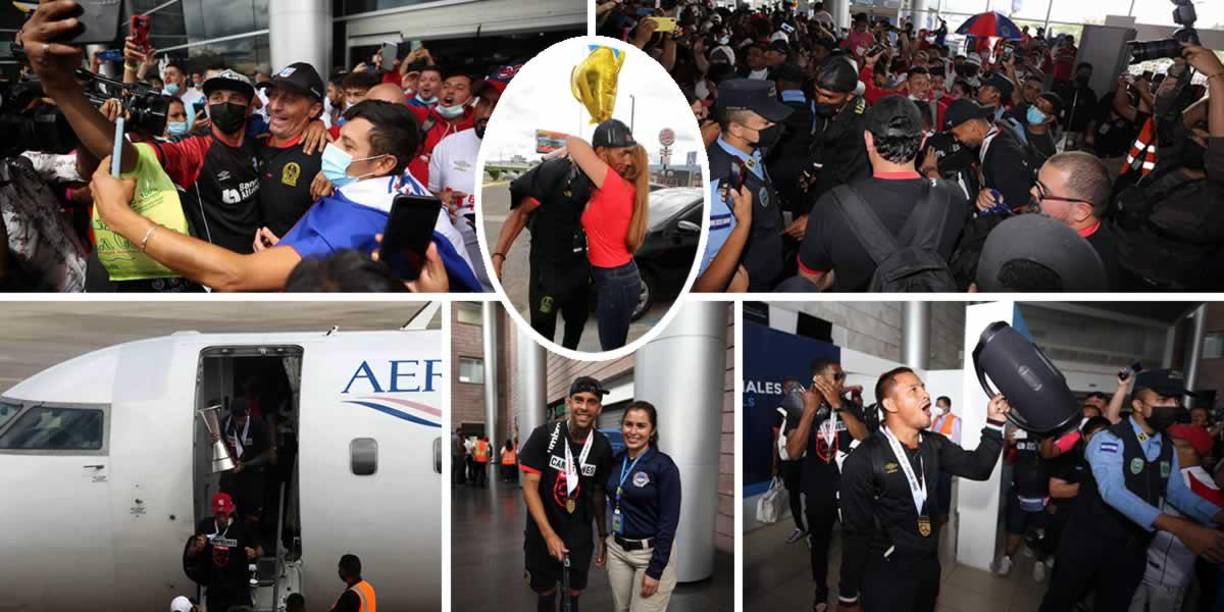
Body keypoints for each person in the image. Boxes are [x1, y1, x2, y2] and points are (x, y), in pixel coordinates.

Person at [87, 100, 475, 292]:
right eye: (337, 134)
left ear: (382, 163)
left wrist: (119, 214)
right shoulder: (401, 189)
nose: (332, 146)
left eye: (347, 144)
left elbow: (233, 276)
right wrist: (293, 249)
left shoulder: (355, 223)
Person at [1039, 369, 1224, 612]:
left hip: (1131, 551)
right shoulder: (1108, 439)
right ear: (1137, 404)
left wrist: (1216, 515)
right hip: (1086, 545)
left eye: (1176, 400)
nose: (1172, 406)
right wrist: (1182, 528)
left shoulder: (1167, 447)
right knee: (1059, 603)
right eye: (1163, 399)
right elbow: (1112, 491)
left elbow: (1176, 491)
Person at [837, 367, 1010, 612]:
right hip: (886, 573)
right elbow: (855, 533)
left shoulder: (935, 445)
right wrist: (847, 596)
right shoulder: (864, 459)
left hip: (928, 567)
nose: (926, 395)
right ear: (890, 404)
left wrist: (994, 423)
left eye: (924, 387)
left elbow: (978, 468)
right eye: (914, 390)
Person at [797, 95, 966, 292]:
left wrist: (842, 272)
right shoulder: (953, 197)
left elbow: (810, 282)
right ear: (921, 142)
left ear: (868, 139)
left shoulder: (831, 207)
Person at [519, 376, 615, 612]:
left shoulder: (602, 446)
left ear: (599, 408)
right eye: (579, 400)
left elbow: (597, 492)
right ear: (568, 402)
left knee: (573, 594)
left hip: (578, 535)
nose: (584, 407)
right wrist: (548, 534)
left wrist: (603, 535)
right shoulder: (545, 436)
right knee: (546, 593)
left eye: (592, 402)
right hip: (542, 533)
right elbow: (530, 486)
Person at [786, 359, 869, 611]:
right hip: (819, 489)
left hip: (851, 488)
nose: (841, 381)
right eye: (836, 376)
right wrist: (810, 411)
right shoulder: (799, 407)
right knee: (820, 544)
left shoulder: (849, 406)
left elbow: (864, 438)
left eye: (842, 376)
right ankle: (820, 591)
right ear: (818, 380)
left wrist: (838, 405)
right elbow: (793, 451)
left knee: (855, 542)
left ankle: (851, 589)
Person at [494, 150, 594, 348]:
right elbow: (520, 214)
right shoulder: (558, 174)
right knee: (542, 328)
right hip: (548, 270)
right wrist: (498, 256)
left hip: (581, 270)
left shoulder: (603, 182)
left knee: (576, 324)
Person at [564, 122, 649, 350]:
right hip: (623, 276)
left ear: (600, 153)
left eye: (628, 154)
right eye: (623, 153)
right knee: (616, 340)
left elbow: (572, 141)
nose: (628, 161)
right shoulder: (628, 189)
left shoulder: (612, 184)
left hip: (614, 280)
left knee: (611, 345)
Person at [703, 78, 791, 291]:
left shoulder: (752, 149)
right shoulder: (721, 183)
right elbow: (712, 268)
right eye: (766, 123)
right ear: (736, 128)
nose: (775, 127)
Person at [430, 76, 507, 291]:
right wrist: (439, 201)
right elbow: (431, 196)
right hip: (464, 281)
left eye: (498, 105)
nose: (487, 114)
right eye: (483, 102)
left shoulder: (532, 151)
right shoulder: (447, 147)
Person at [603, 401, 681, 612]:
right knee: (622, 609)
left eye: (641, 425)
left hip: (650, 553)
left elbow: (669, 521)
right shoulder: (617, 460)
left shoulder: (663, 466)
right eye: (628, 424)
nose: (633, 431)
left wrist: (655, 570)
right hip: (618, 550)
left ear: (652, 430)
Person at [254, 63, 327, 241]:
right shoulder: (253, 143)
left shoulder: (326, 159)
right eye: (272, 95)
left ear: (314, 109)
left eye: (289, 99)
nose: (275, 106)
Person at [1032, 151, 1122, 289]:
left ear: (1081, 211)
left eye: (1043, 191)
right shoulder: (1061, 227)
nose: (1032, 191)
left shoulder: (1081, 274)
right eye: (1036, 184)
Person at [184, 492, 260, 612]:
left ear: (231, 510)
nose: (221, 518)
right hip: (215, 590)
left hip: (238, 590)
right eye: (218, 514)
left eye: (224, 513)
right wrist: (197, 547)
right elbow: (190, 553)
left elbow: (260, 549)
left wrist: (254, 553)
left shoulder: (242, 527)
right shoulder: (206, 526)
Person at [407, 68, 476, 184]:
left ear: (471, 99)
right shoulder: (422, 118)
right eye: (446, 86)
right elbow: (390, 103)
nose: (450, 91)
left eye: (459, 88)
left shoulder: (478, 130)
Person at [217, 399, 275, 527]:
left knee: (251, 515)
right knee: (228, 510)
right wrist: (219, 448)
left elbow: (268, 454)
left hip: (252, 474)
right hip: (232, 473)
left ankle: (250, 540)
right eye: (236, 419)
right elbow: (220, 445)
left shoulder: (258, 425)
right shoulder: (225, 423)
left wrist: (246, 465)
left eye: (242, 419)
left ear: (248, 413)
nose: (239, 422)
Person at [772, 378, 807, 544]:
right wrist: (775, 465)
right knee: (794, 496)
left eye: (796, 388)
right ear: (785, 392)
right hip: (789, 462)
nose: (793, 391)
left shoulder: (810, 409)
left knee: (812, 496)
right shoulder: (781, 411)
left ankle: (815, 530)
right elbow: (776, 438)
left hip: (808, 460)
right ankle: (800, 527)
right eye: (789, 389)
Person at [928, 396, 959, 523]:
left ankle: (944, 514)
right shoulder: (935, 420)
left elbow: (956, 442)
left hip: (946, 460)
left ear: (947, 406)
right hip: (934, 458)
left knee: (945, 487)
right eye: (937, 405)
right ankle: (935, 511)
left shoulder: (955, 421)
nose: (938, 408)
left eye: (940, 405)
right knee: (934, 486)